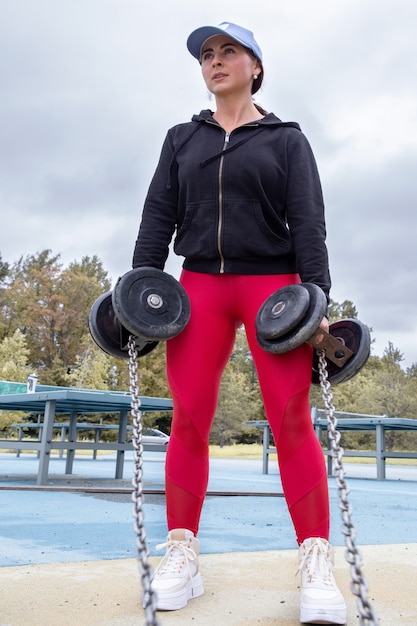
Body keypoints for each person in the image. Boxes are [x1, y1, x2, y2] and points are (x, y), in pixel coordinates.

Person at [132, 21, 347, 625]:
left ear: (255, 66)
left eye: (229, 51)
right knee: (190, 418)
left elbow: (309, 221)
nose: (216, 61)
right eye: (207, 54)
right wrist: (141, 287)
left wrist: (317, 295)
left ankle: (315, 557)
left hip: (273, 287)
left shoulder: (286, 140)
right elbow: (157, 217)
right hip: (199, 282)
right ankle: (182, 554)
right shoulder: (182, 139)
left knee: (290, 418)